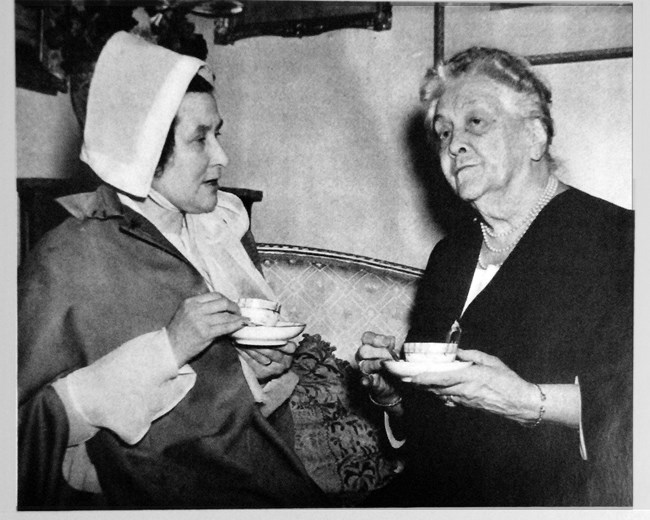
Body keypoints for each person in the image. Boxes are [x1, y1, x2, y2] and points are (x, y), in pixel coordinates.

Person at [18, 31, 328, 510]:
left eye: (217, 133)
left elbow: (214, 409)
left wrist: (256, 373)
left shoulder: (219, 230)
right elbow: (25, 433)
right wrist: (168, 348)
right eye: (200, 139)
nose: (222, 157)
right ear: (145, 148)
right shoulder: (69, 257)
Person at [356, 47, 633, 507]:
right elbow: (439, 422)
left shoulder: (621, 241)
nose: (453, 144)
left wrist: (526, 401)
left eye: (475, 123)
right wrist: (393, 395)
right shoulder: (449, 256)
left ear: (535, 137)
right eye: (442, 132)